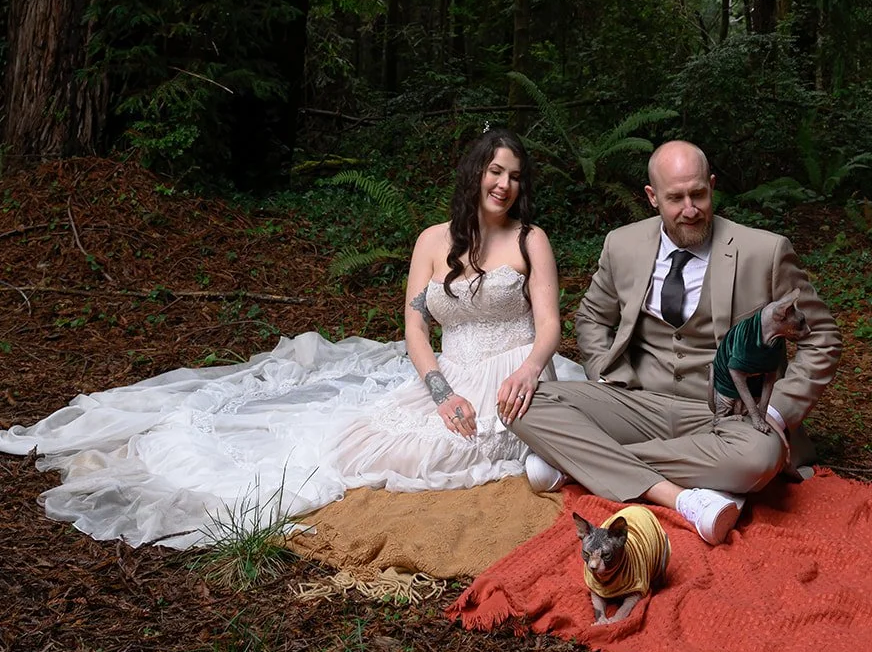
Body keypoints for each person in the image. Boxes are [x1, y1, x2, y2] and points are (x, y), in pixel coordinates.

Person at [0, 129, 579, 550]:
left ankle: (541, 451)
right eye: (495, 171)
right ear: (475, 172)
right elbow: (414, 326)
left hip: (512, 368)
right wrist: (440, 392)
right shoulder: (432, 241)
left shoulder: (530, 239)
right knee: (360, 445)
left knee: (449, 453)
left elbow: (550, 324)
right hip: (450, 373)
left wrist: (528, 370)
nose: (504, 184)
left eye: (515, 176)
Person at [511, 140, 841, 545]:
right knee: (525, 404)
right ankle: (686, 487)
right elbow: (592, 317)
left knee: (759, 457)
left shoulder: (765, 251)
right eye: (675, 198)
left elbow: (822, 336)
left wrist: (775, 410)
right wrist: (605, 374)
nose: (690, 209)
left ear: (712, 186)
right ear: (652, 197)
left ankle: (579, 463)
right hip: (638, 403)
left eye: (698, 194)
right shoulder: (622, 244)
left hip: (728, 414)